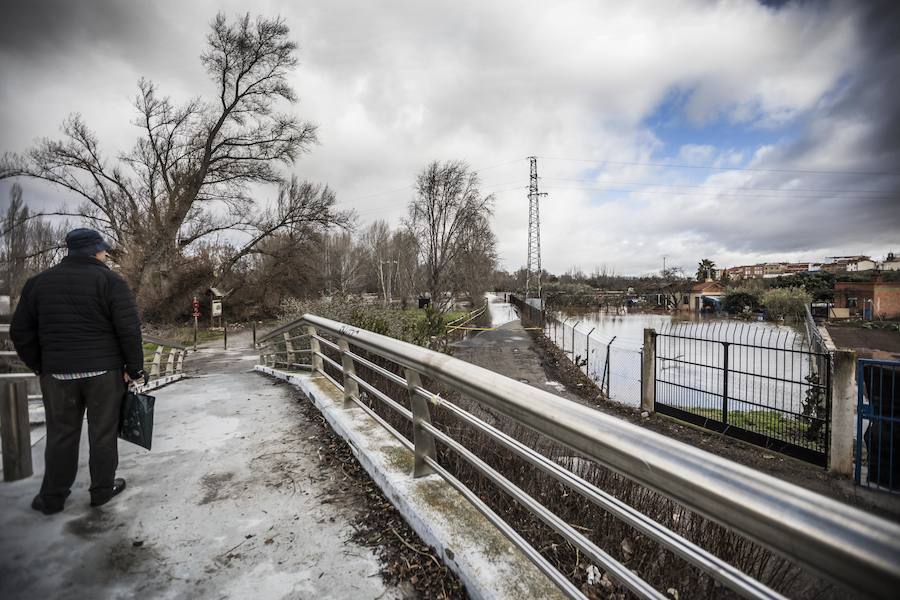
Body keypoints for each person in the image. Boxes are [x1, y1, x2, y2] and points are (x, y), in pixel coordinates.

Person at [10, 228, 144, 514]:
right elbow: (129, 330)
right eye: (104, 250)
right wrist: (133, 368)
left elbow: (20, 332)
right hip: (103, 373)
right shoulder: (110, 281)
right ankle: (101, 490)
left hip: (57, 375)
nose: (106, 254)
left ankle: (52, 497)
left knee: (60, 434)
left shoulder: (38, 283)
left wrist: (41, 365)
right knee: (103, 433)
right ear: (96, 251)